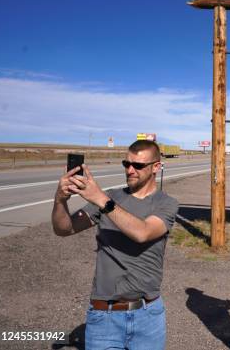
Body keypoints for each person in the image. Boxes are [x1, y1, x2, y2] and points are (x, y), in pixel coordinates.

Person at [51, 140, 178, 350]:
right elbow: (64, 229)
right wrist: (59, 200)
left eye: (138, 166)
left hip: (148, 316)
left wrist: (101, 199)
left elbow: (143, 232)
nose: (130, 170)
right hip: (104, 317)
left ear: (156, 167)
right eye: (126, 164)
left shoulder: (166, 203)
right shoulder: (111, 197)